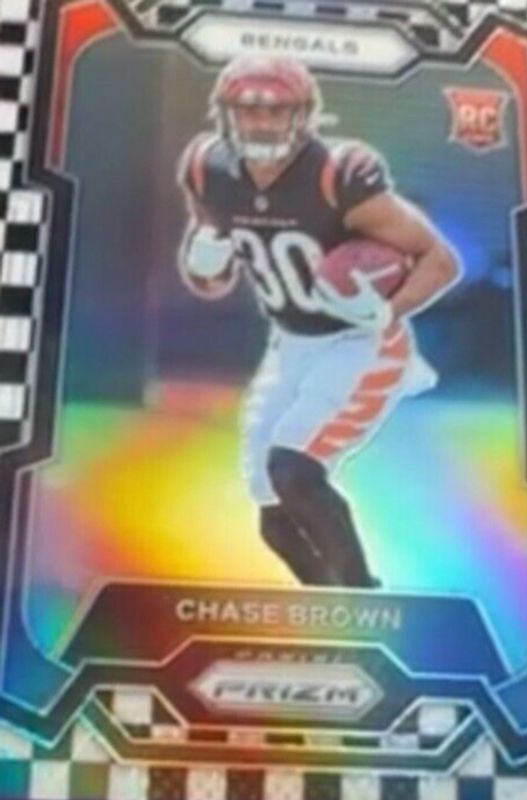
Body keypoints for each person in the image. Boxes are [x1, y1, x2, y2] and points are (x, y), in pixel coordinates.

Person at [177, 55, 460, 588]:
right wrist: (203, 262)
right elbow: (211, 281)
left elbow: (440, 261)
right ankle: (326, 609)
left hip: (359, 342)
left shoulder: (336, 175)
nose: (262, 122)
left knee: (295, 473)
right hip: (288, 342)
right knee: (274, 520)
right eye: (248, 109)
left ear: (304, 115)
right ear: (225, 114)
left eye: (278, 110)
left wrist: (387, 310)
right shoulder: (206, 169)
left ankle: (363, 597)